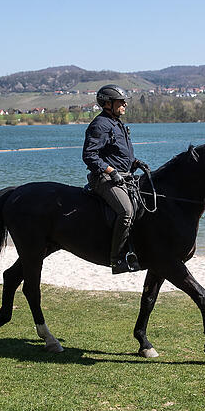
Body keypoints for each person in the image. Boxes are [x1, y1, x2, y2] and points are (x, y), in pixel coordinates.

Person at [83, 85, 150, 274]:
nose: (125, 104)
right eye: (121, 102)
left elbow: (117, 153)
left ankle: (135, 250)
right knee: (126, 211)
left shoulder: (116, 123)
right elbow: (89, 155)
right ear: (108, 104)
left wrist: (136, 162)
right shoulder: (100, 124)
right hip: (103, 177)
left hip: (124, 176)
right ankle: (116, 259)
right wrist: (111, 171)